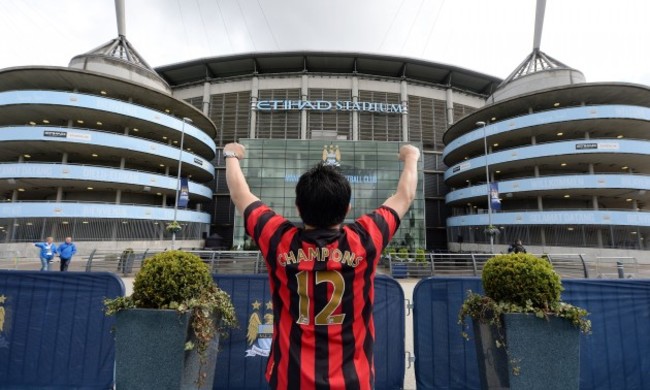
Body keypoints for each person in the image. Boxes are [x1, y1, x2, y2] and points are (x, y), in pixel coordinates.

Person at [224, 142, 420, 390]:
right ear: (347, 209)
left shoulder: (279, 240)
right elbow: (405, 196)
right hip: (353, 380)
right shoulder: (363, 240)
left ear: (298, 208)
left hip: (289, 379)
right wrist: (411, 156)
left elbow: (240, 195)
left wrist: (232, 155)